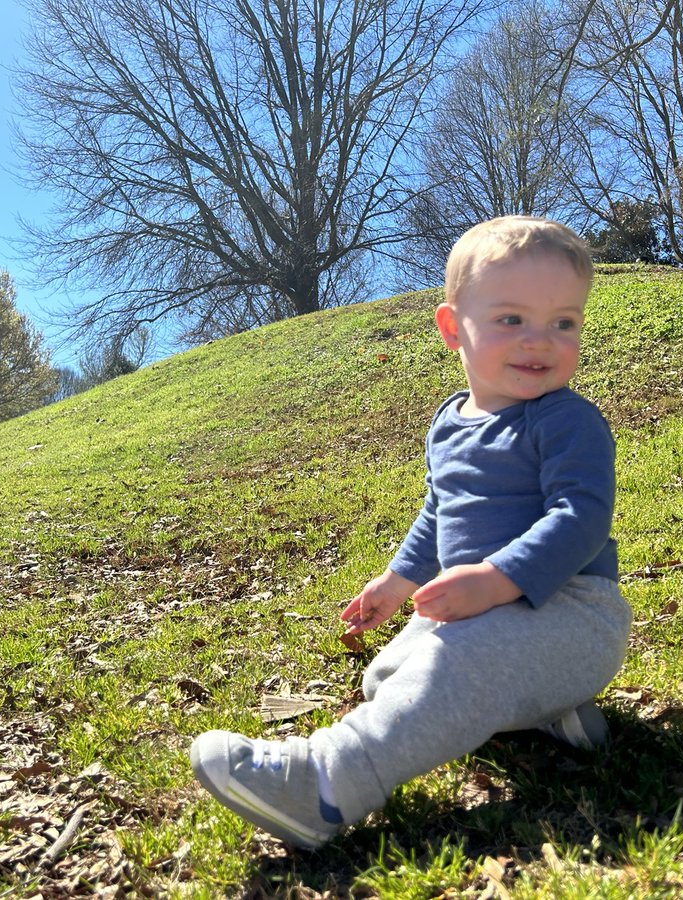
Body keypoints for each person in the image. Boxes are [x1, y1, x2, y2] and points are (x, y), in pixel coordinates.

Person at [189, 216, 632, 850]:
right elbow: (439, 512)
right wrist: (399, 580)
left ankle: (326, 784)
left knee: (453, 664)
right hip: (483, 618)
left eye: (564, 322)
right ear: (453, 328)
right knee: (389, 677)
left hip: (571, 613)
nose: (541, 341)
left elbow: (581, 518)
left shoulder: (567, 421)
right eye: (512, 320)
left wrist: (498, 578)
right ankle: (544, 713)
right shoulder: (449, 424)